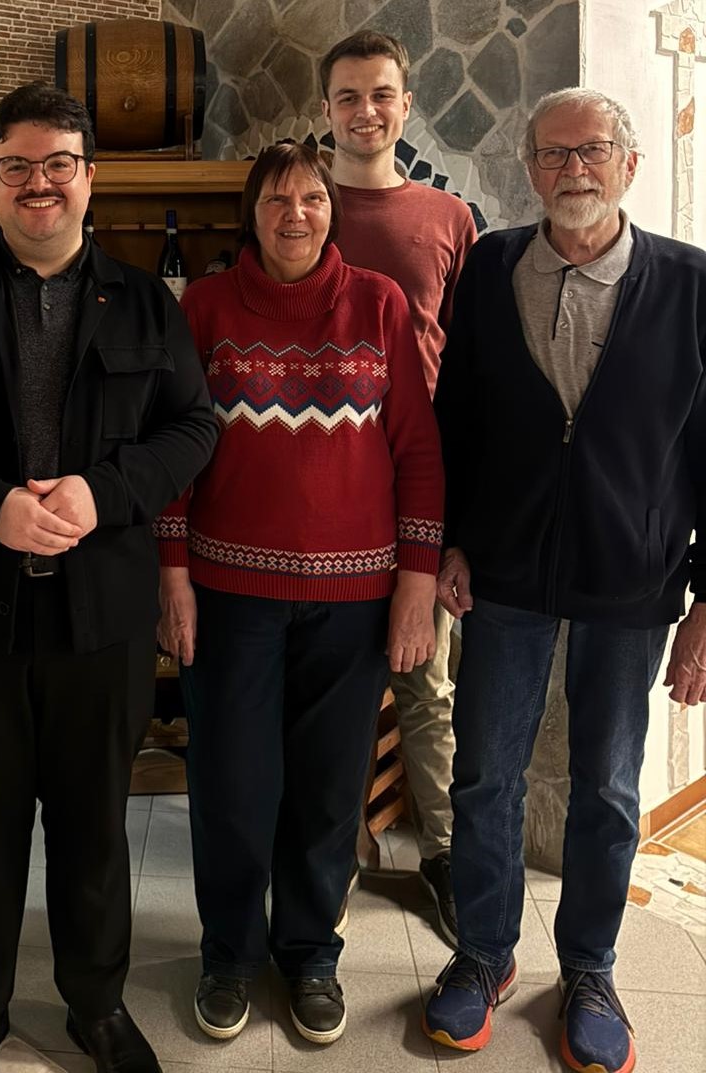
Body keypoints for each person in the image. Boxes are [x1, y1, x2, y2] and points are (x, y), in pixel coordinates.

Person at [0, 83, 217, 1073]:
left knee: (94, 818)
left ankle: (95, 1003)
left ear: (90, 177)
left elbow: (194, 427)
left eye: (59, 162)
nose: (39, 182)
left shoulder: (147, 299)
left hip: (101, 609)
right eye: (16, 164)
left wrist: (106, 493)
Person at [422, 88, 706, 1073]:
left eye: (593, 148)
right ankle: (483, 951)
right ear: (530, 168)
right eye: (552, 153)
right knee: (485, 773)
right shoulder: (493, 264)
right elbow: (456, 414)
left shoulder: (690, 281)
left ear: (629, 162)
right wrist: (451, 538)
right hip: (502, 569)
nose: (572, 167)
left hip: (634, 575)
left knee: (611, 789)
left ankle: (588, 965)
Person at [155, 140, 444, 1045]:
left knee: (327, 790)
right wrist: (172, 575)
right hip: (228, 592)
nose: (296, 213)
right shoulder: (203, 308)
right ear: (252, 211)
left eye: (312, 197)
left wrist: (415, 585)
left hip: (355, 601)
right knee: (233, 785)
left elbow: (418, 452)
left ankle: (311, 951)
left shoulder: (380, 304)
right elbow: (170, 451)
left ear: (332, 209)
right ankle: (229, 956)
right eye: (277, 198)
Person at [319, 29, 477, 945]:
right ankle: (337, 846)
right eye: (348, 95)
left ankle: (445, 855)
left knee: (427, 685)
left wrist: (458, 522)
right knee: (340, 687)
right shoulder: (300, 204)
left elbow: (462, 369)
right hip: (323, 489)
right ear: (327, 108)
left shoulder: (446, 219)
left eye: (381, 94)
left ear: (405, 105)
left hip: (417, 486)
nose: (365, 110)